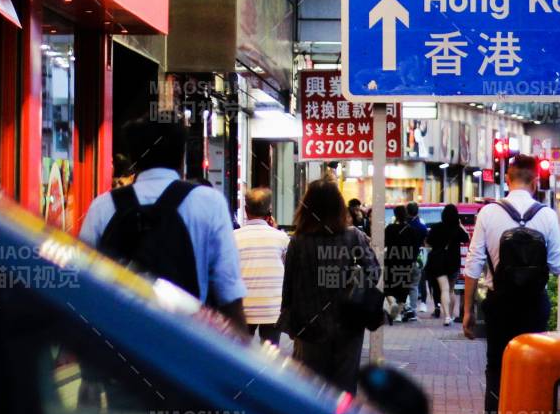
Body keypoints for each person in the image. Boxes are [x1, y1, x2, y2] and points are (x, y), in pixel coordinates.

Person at [80, 119, 247, 331]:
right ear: (181, 156)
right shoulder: (208, 202)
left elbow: (83, 281)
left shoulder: (103, 206)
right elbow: (229, 293)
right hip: (186, 343)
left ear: (133, 159)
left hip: (118, 343)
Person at [462, 154, 560, 414]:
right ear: (535, 181)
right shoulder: (547, 216)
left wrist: (467, 311)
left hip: (499, 305)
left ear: (508, 179)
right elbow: (558, 266)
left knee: (497, 367)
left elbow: (474, 265)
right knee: (538, 367)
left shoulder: (489, 213)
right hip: (535, 305)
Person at [280, 179, 380, 392]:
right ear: (339, 206)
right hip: (348, 323)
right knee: (344, 388)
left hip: (308, 323)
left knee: (310, 388)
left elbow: (288, 285)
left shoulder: (298, 241)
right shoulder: (353, 236)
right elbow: (373, 271)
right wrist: (353, 284)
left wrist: (288, 321)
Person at [233, 188, 289, 345]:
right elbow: (288, 268)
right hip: (272, 308)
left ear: (246, 210)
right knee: (270, 352)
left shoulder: (233, 237)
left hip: (243, 308)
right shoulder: (281, 238)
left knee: (241, 351)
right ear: (269, 211)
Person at [424, 204, 469, 326]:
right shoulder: (457, 229)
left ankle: (447, 317)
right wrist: (460, 225)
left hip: (438, 262)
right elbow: (466, 238)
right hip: (453, 262)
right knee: (450, 290)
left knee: (443, 289)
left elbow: (428, 242)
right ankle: (451, 315)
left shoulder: (436, 227)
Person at [383, 204, 424, 322]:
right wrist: (412, 261)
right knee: (403, 289)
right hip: (406, 262)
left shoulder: (389, 228)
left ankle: (392, 303)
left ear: (395, 215)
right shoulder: (412, 230)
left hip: (391, 261)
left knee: (388, 287)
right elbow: (416, 248)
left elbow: (384, 244)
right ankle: (399, 314)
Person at [406, 202, 431, 315]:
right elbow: (426, 242)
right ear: (417, 212)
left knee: (402, 284)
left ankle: (404, 308)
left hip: (403, 258)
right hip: (417, 258)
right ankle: (412, 309)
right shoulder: (421, 227)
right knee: (415, 285)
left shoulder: (403, 226)